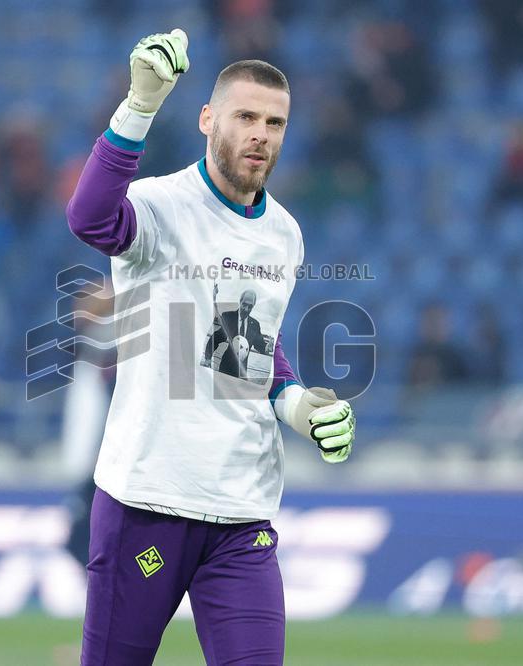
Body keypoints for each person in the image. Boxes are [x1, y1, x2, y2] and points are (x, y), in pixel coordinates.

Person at [66, 29, 357, 665]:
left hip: (241, 512)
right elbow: (89, 219)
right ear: (207, 119)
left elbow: (241, 352)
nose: (260, 135)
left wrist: (298, 405)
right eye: (245, 117)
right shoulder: (159, 205)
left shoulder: (283, 234)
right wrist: (138, 106)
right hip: (147, 501)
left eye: (275, 123)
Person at [202, 288, 266, 377]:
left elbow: (260, 346)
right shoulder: (228, 317)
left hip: (241, 372)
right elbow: (215, 338)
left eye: (250, 306)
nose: (246, 309)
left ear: (253, 306)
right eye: (244, 304)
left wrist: (267, 348)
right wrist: (208, 358)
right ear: (240, 301)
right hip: (225, 368)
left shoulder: (255, 325)